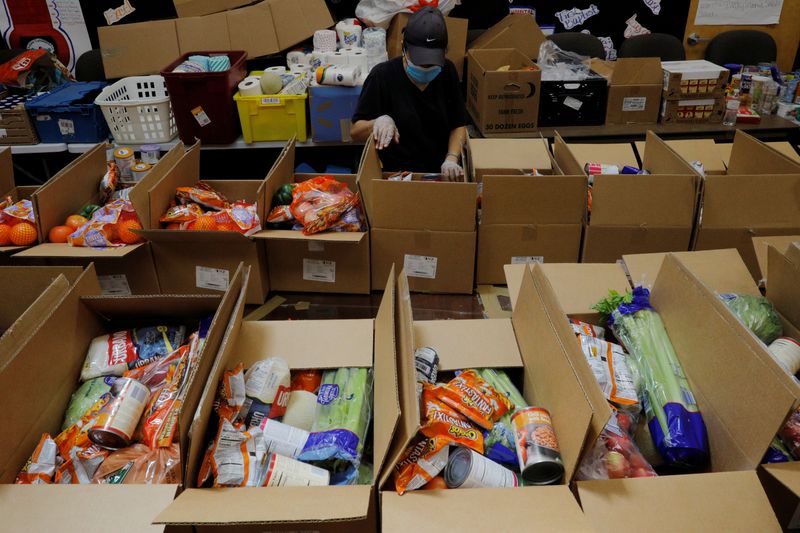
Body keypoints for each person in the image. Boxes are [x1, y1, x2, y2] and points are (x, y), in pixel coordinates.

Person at [351, 7, 468, 179]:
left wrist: (451, 158)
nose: (426, 69)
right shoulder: (382, 76)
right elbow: (355, 132)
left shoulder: (447, 71)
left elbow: (459, 124)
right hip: (395, 175)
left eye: (431, 64)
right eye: (420, 63)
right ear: (403, 48)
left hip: (437, 173)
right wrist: (377, 123)